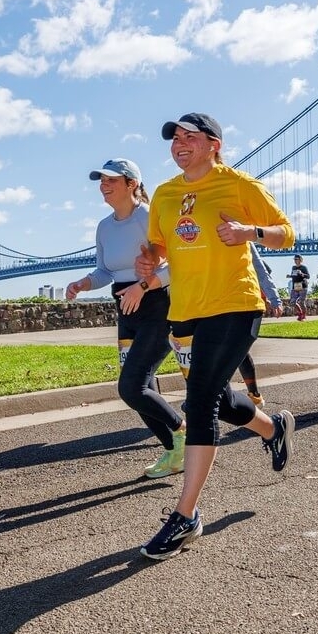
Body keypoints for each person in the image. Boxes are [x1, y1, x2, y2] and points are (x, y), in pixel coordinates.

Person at [136, 112, 296, 561]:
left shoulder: (240, 185)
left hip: (235, 304)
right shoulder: (166, 194)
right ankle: (273, 427)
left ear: (214, 145)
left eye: (190, 137)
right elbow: (159, 244)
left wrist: (251, 232)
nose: (179, 144)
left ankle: (186, 516)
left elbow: (286, 232)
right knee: (219, 399)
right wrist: (148, 261)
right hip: (185, 311)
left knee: (200, 400)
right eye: (175, 138)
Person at [65, 158, 184, 480]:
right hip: (125, 308)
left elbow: (177, 264)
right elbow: (105, 271)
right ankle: (174, 452)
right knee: (140, 387)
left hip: (156, 306)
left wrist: (142, 287)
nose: (104, 186)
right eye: (101, 180)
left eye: (111, 180)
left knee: (131, 387)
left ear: (132, 183)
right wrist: (83, 284)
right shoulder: (104, 226)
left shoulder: (150, 218)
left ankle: (182, 430)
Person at [237, 245, 284, 408]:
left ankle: (254, 396)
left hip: (246, 304)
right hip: (215, 304)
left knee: (239, 350)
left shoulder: (241, 235)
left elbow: (261, 270)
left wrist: (274, 298)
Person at [288, 254, 311, 320]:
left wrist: (302, 274)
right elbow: (294, 276)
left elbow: (308, 276)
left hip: (303, 286)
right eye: (294, 259)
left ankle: (303, 315)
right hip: (295, 286)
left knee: (301, 302)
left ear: (300, 260)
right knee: (292, 302)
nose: (295, 260)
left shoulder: (303, 267)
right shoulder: (293, 267)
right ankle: (300, 313)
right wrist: (290, 276)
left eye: (296, 259)